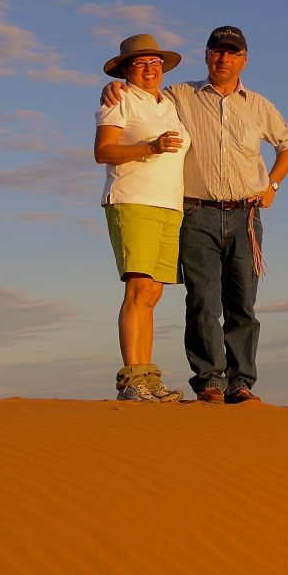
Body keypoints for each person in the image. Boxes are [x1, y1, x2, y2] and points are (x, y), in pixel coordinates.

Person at [102, 26, 288, 404]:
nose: (223, 58)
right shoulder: (178, 95)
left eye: (231, 52)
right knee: (202, 301)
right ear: (207, 56)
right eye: (217, 51)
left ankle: (241, 383)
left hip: (245, 215)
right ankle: (209, 381)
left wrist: (272, 185)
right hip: (196, 212)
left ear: (243, 59)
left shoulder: (258, 105)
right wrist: (111, 88)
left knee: (242, 304)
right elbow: (135, 95)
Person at [95, 34, 190, 402]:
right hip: (132, 200)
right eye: (140, 64)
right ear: (125, 69)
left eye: (155, 63)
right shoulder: (119, 100)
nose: (150, 69)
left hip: (170, 206)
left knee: (151, 293)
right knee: (136, 290)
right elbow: (102, 150)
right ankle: (131, 380)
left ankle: (148, 377)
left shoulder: (170, 104)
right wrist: (150, 147)